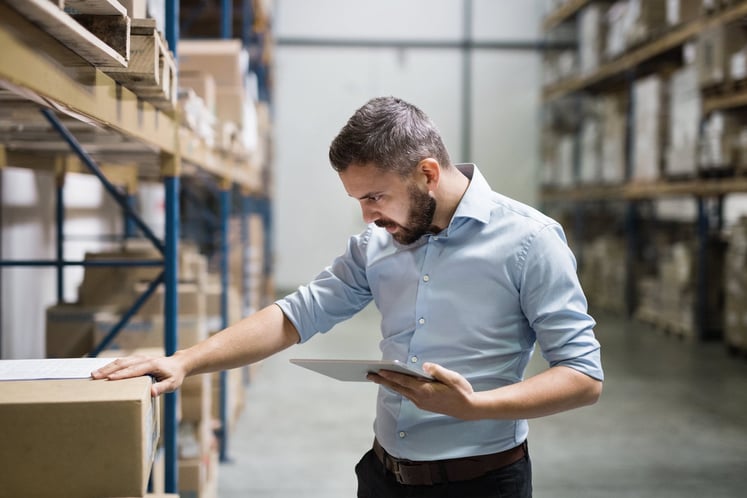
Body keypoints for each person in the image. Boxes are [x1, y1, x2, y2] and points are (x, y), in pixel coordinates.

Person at [93, 96, 603, 498]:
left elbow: (582, 376)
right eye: (359, 200)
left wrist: (476, 407)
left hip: (484, 482)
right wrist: (185, 361)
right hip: (384, 476)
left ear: (427, 173)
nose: (367, 217)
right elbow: (296, 314)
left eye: (375, 197)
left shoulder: (530, 241)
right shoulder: (377, 244)